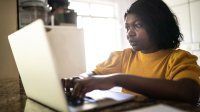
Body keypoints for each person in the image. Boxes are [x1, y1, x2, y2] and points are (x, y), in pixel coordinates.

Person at [62, 0, 200, 104]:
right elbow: (94, 74)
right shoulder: (124, 56)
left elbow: (188, 92)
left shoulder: (178, 58)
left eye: (137, 25)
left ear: (159, 26)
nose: (129, 33)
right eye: (127, 27)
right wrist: (81, 78)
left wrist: (119, 79)